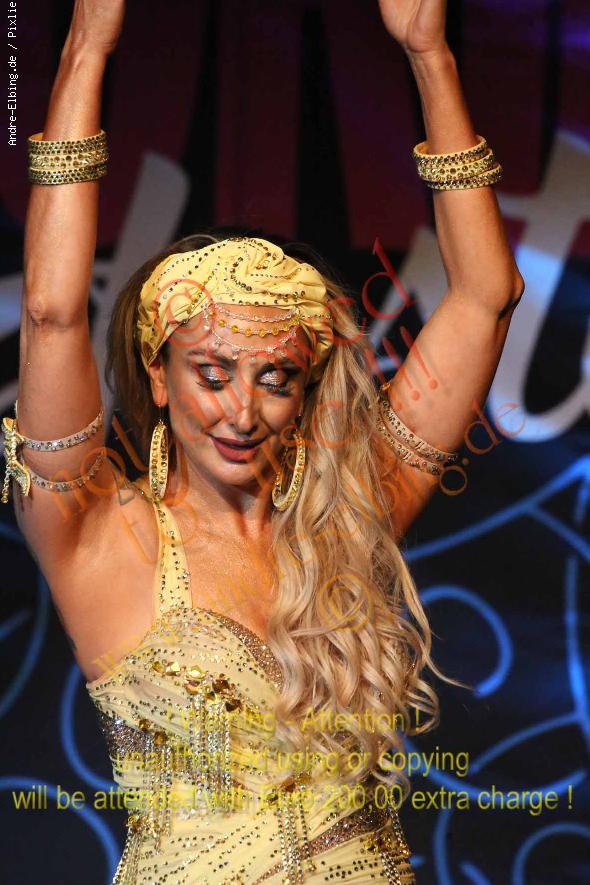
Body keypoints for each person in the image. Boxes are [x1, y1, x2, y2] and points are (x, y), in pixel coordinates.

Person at [2, 1, 524, 882]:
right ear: (159, 376)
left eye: (276, 377)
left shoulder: (348, 518)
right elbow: (53, 315)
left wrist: (429, 55)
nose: (241, 410)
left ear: (307, 388)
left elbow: (485, 297)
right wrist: (86, 46)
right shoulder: (99, 537)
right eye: (212, 373)